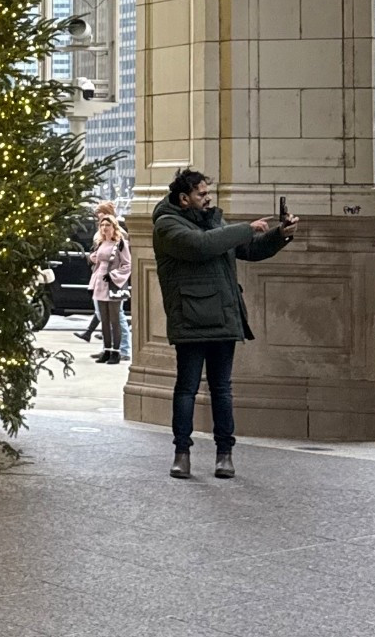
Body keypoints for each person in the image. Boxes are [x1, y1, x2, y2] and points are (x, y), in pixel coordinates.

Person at [152, 167, 295, 481]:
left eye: (208, 193)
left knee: (222, 390)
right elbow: (200, 246)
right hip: (190, 318)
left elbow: (248, 249)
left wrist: (279, 235)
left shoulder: (215, 221)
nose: (208, 198)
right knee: (186, 389)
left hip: (223, 316)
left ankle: (225, 454)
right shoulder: (167, 224)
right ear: (184, 198)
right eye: (201, 194)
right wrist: (246, 228)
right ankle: (181, 453)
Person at [89, 215, 131, 364]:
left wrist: (114, 275)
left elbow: (127, 265)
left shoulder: (120, 243)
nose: (104, 228)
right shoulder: (101, 242)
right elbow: (97, 259)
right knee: (104, 319)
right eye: (102, 225)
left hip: (113, 284)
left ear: (114, 227)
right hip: (100, 282)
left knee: (115, 320)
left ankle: (116, 352)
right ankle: (106, 350)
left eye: (107, 225)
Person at [77, 201, 118, 345]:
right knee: (101, 310)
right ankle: (103, 342)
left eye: (99, 213)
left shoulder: (115, 234)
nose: (97, 216)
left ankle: (118, 346)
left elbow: (119, 257)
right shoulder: (100, 232)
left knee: (112, 314)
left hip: (109, 277)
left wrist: (95, 257)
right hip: (99, 276)